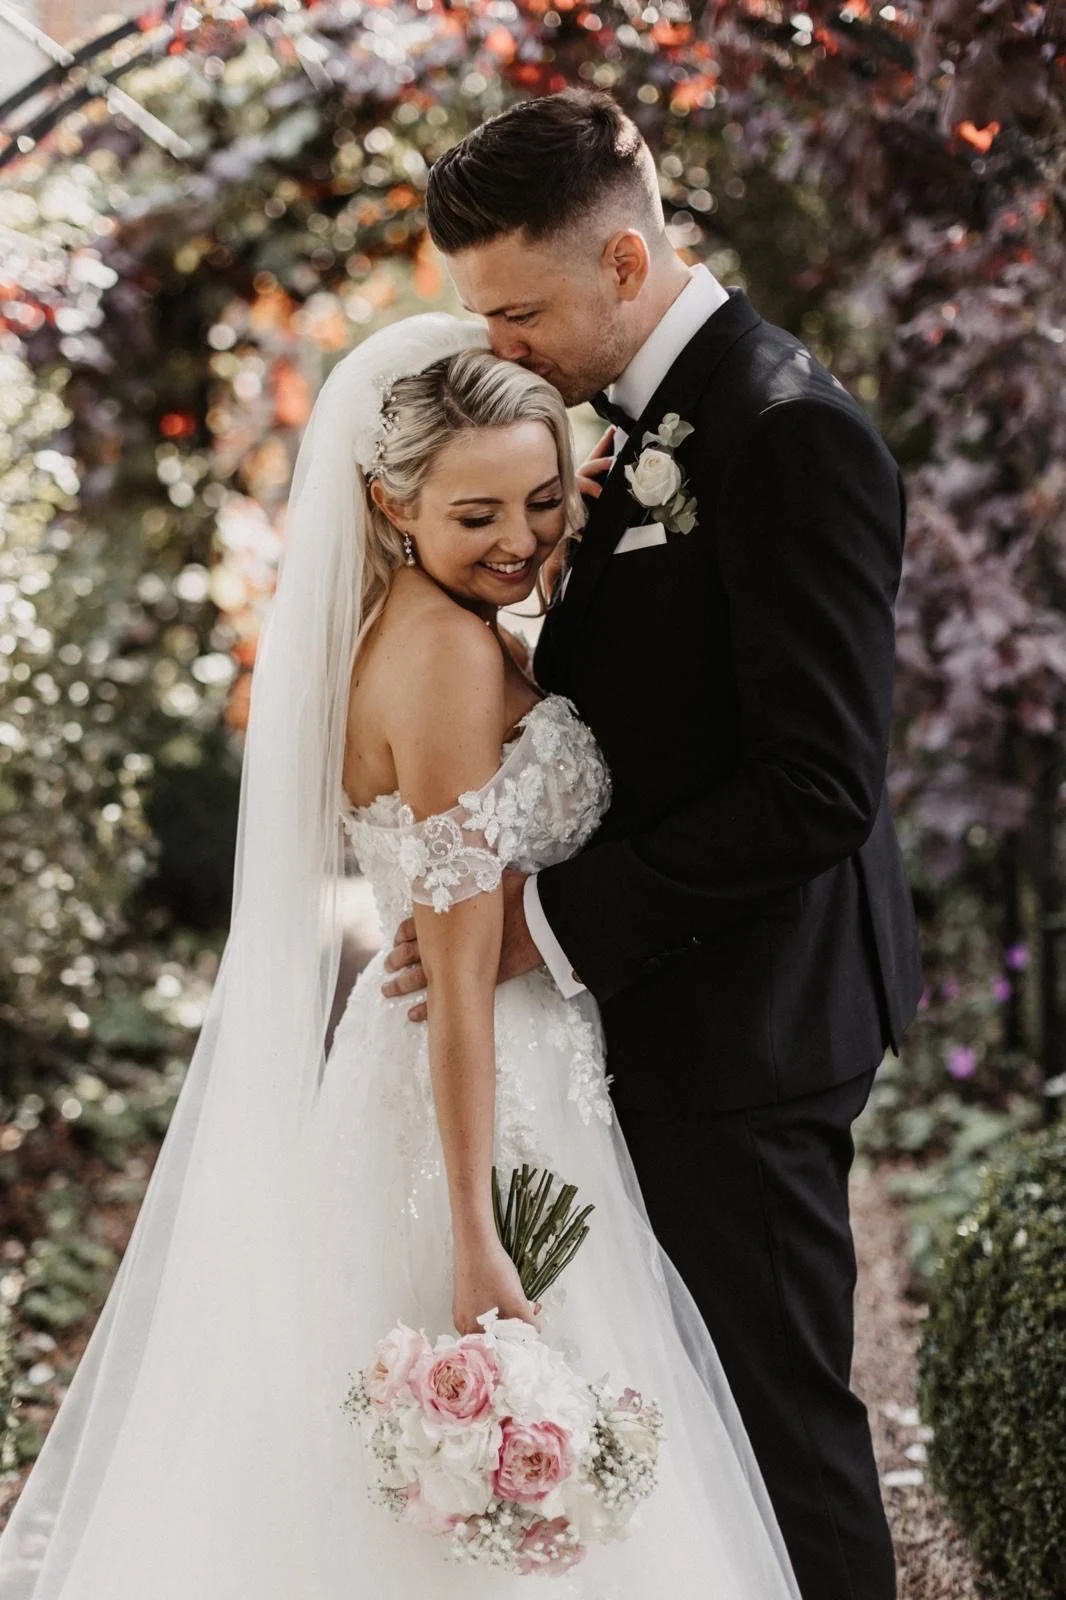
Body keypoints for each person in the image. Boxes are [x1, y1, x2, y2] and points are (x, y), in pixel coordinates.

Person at [0, 312, 801, 1598]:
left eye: (541, 501)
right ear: (390, 503)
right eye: (475, 511)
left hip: (501, 1076)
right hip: (484, 1102)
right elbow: (468, 978)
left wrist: (560, 536)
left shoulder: (440, 621)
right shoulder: (435, 657)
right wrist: (480, 1235)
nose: (519, 540)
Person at [383, 88, 925, 1600]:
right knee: (686, 1413)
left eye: (520, 308)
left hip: (751, 1014)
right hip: (666, 1000)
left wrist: (537, 929)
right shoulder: (638, 419)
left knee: (774, 1422)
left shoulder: (791, 435)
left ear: (623, 266)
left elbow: (817, 788)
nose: (499, 345)